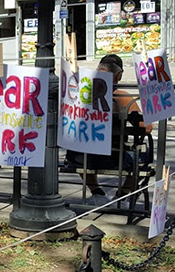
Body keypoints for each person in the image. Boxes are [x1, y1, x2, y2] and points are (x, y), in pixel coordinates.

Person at [66, 54, 153, 204]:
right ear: (118, 76)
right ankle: (122, 195)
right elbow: (146, 128)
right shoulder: (121, 97)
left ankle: (97, 192)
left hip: (79, 158)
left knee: (82, 152)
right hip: (113, 159)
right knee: (143, 157)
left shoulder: (79, 94)